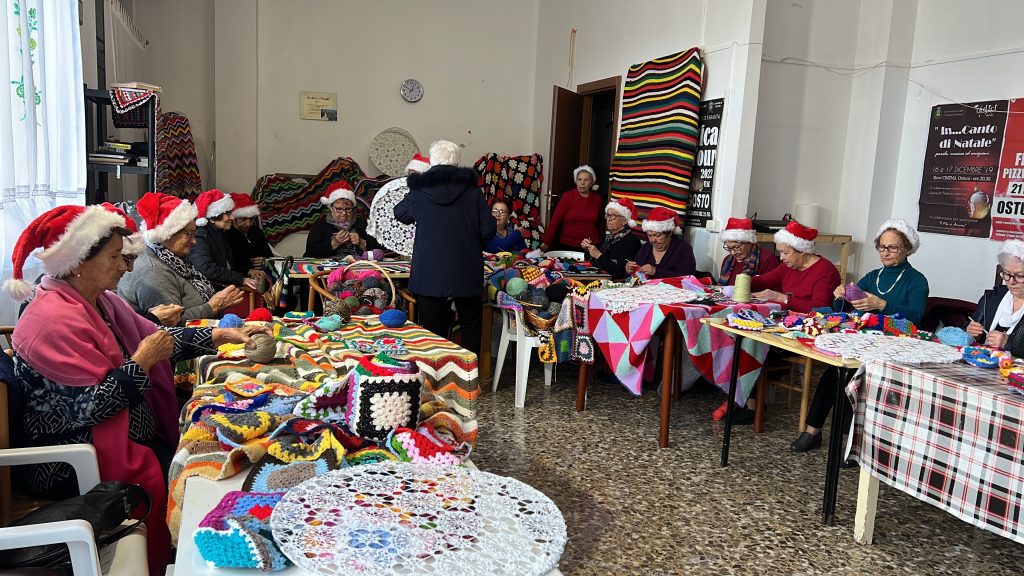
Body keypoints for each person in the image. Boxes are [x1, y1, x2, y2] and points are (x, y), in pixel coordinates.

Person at [3, 204, 261, 574]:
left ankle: (183, 546)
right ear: (77, 262)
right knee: (194, 459)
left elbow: (156, 337)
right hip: (66, 455)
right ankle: (185, 553)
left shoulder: (98, 300)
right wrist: (140, 363)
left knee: (201, 439)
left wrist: (218, 334)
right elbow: (90, 408)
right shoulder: (51, 321)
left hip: (111, 430)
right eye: (114, 258)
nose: (125, 268)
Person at [791, 219, 929, 453]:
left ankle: (849, 443)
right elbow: (842, 309)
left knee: (851, 379)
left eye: (893, 247)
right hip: (863, 341)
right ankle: (813, 431)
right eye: (882, 247)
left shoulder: (917, 281)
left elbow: (916, 317)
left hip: (893, 347)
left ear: (907, 248)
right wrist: (840, 295)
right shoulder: (873, 276)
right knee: (833, 372)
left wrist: (882, 304)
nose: (886, 252)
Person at [395, 140, 495, 355]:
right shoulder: (473, 191)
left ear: (432, 162)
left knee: (433, 330)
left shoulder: (420, 190)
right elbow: (488, 230)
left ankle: (437, 375)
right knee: (470, 326)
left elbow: (400, 213)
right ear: (457, 162)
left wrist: (414, 193)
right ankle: (468, 377)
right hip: (466, 271)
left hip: (429, 272)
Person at [119, 192, 246, 324]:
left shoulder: (173, 258)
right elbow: (172, 324)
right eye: (189, 234)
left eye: (194, 233)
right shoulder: (153, 272)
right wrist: (212, 307)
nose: (194, 241)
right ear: (167, 234)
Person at [749, 220, 841, 313]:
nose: (781, 258)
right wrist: (743, 282)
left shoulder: (825, 271)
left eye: (785, 253)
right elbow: (762, 282)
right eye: (780, 252)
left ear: (801, 250)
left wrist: (782, 298)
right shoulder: (788, 266)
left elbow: (820, 309)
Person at [189, 189, 260, 290]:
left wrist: (246, 272)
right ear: (213, 218)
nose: (232, 217)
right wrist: (241, 279)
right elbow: (206, 269)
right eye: (227, 214)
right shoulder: (200, 237)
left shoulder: (219, 233)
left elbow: (228, 265)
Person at [965, 239, 1024, 355]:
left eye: (1020, 276)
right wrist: (970, 332)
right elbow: (970, 328)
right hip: (984, 364)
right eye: (1007, 274)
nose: (1011, 282)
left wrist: (1008, 343)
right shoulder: (993, 297)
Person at [305, 181, 379, 258]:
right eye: (339, 209)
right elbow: (310, 252)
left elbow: (380, 249)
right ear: (331, 207)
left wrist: (362, 243)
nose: (344, 213)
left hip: (357, 266)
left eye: (348, 209)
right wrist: (334, 243)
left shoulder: (362, 224)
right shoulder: (321, 225)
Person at [540, 165, 603, 252]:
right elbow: (555, 220)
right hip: (567, 245)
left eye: (586, 180)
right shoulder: (568, 196)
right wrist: (547, 242)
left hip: (590, 246)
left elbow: (601, 224)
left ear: (592, 182)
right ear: (575, 181)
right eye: (579, 179)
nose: (582, 183)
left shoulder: (598, 199)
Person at [625, 207, 697, 279]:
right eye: (649, 235)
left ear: (669, 233)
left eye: (657, 235)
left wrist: (655, 271)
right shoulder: (646, 248)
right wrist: (631, 271)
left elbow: (687, 279)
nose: (653, 240)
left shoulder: (683, 249)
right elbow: (634, 277)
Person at [582, 196, 642, 280]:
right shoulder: (610, 237)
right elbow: (595, 262)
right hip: (600, 278)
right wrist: (589, 249)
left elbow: (619, 272)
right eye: (608, 215)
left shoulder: (632, 241)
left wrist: (598, 255)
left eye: (613, 216)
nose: (608, 219)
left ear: (624, 220)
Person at [719, 217, 780, 285]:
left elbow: (774, 290)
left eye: (736, 247)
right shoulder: (727, 260)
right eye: (729, 248)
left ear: (749, 241)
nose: (732, 253)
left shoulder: (767, 259)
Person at [225, 192, 274, 276]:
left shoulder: (256, 231)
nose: (248, 224)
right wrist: (248, 271)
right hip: (239, 279)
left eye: (251, 219)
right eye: (243, 219)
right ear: (233, 218)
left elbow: (270, 256)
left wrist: (265, 260)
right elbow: (228, 264)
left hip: (263, 277)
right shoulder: (227, 234)